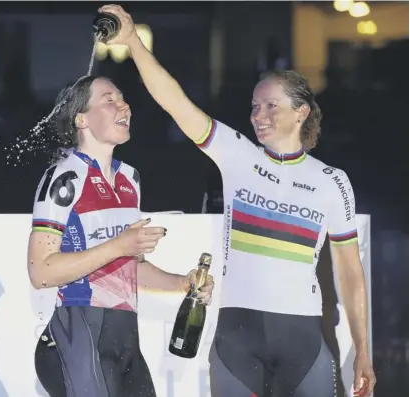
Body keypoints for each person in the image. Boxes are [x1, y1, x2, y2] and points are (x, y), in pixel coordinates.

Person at [99, 4, 377, 397]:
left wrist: (363, 350)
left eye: (270, 106)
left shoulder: (330, 180)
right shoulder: (238, 156)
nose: (257, 115)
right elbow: (175, 102)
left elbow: (350, 273)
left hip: (303, 340)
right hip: (237, 339)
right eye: (253, 106)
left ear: (301, 113)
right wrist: (133, 43)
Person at [27, 75, 215, 397]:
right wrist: (118, 246)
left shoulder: (130, 179)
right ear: (81, 119)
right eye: (109, 99)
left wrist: (182, 283)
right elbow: (41, 272)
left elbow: (130, 269)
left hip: (125, 338)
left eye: (123, 97)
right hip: (78, 333)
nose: (123, 104)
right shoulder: (63, 176)